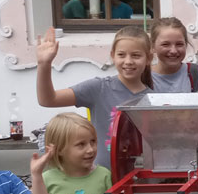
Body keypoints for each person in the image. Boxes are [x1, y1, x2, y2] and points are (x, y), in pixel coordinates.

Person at [36, 26, 152, 169]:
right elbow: (48, 99)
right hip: (102, 180)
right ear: (112, 55)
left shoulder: (154, 99)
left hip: (142, 180)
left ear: (149, 58)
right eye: (121, 55)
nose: (128, 61)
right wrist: (44, 64)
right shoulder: (98, 88)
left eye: (136, 55)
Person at [149, 17, 198, 93]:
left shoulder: (196, 73)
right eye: (165, 44)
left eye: (179, 44)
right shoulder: (142, 77)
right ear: (153, 46)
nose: (173, 51)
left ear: (186, 45)